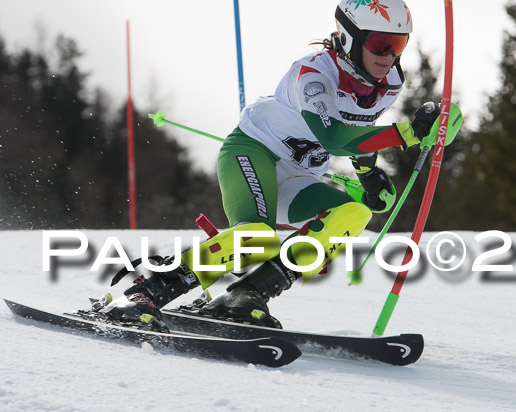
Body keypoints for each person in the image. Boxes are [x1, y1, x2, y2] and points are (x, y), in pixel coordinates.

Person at [101, 0, 462, 331]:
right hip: (253, 152)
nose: (388, 56)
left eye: (397, 45)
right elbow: (335, 136)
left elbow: (358, 130)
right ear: (350, 38)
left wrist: (368, 174)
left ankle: (246, 295)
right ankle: (145, 291)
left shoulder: (388, 83)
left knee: (353, 215)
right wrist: (408, 134)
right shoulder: (314, 76)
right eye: (380, 43)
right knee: (255, 238)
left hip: (300, 174)